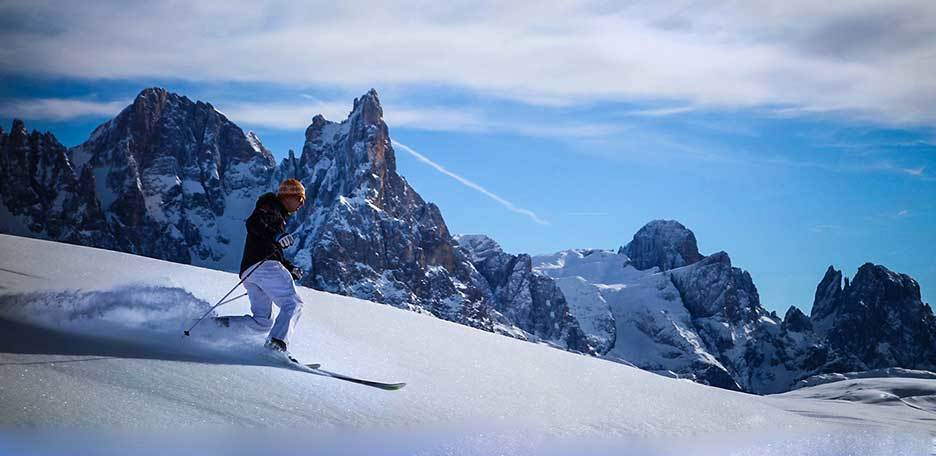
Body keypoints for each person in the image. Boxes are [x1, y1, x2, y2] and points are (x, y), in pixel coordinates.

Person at [219, 178, 307, 355]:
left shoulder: (275, 212)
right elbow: (254, 224)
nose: (301, 205)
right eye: (300, 199)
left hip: (250, 271)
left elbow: (270, 247)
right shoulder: (270, 206)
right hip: (264, 267)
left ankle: (216, 327)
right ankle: (276, 345)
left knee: (262, 322)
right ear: (289, 196)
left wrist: (289, 268)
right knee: (293, 303)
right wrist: (275, 238)